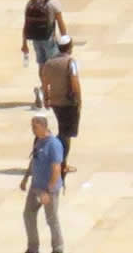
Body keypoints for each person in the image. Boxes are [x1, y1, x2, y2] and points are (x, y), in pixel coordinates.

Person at [21, 0, 68, 109]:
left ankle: (43, 90)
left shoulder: (30, 3)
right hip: (49, 39)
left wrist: (24, 43)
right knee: (54, 66)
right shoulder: (53, 3)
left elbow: (26, 24)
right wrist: (65, 39)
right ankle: (45, 91)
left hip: (36, 39)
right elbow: (60, 22)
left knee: (42, 65)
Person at [20, 115, 65, 253]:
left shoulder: (54, 144)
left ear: (44, 127)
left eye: (35, 127)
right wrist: (26, 178)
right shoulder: (39, 141)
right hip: (35, 188)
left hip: (48, 190)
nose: (33, 130)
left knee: (52, 219)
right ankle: (33, 248)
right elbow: (34, 160)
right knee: (28, 215)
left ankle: (58, 248)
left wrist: (49, 190)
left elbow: (56, 168)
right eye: (32, 127)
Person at [41, 35, 81, 176]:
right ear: (69, 47)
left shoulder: (49, 63)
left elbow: (45, 82)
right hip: (68, 103)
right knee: (66, 134)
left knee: (63, 130)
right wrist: (79, 100)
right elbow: (75, 82)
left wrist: (46, 98)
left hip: (55, 102)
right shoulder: (70, 62)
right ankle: (61, 163)